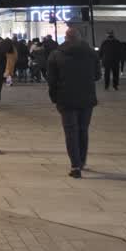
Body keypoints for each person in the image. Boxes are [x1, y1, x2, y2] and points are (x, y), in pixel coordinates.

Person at [47, 27, 101, 178]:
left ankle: (75, 165)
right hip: (87, 98)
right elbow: (97, 75)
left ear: (66, 37)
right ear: (80, 37)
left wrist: (54, 97)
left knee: (71, 131)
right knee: (83, 130)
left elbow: (51, 80)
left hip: (66, 98)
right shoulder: (91, 53)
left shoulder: (56, 54)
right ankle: (82, 161)